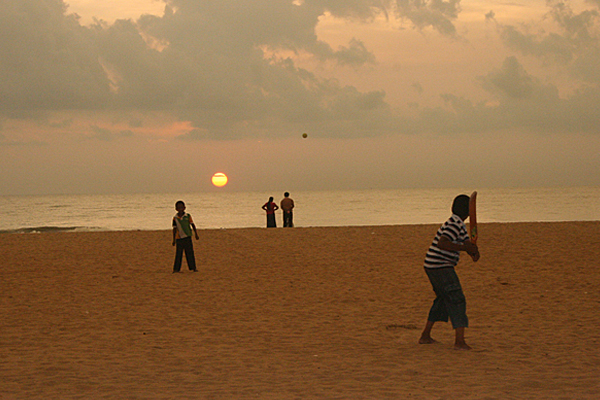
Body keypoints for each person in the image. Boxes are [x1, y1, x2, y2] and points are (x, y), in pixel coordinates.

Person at [419, 194, 480, 350]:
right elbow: (443, 243)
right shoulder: (454, 224)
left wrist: (472, 251)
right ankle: (459, 341)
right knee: (457, 298)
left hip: (433, 265)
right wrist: (464, 248)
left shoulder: (459, 224)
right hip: (440, 265)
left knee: (442, 299)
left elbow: (466, 244)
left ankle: (425, 336)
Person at [172, 200, 200, 273]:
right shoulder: (175, 218)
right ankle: (176, 269)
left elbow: (192, 225)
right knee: (178, 254)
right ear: (176, 209)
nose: (180, 209)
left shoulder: (187, 216)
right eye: (179, 207)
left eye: (182, 207)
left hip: (187, 237)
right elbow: (174, 229)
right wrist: (174, 240)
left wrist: (196, 234)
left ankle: (193, 268)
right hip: (179, 238)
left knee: (190, 253)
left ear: (184, 208)